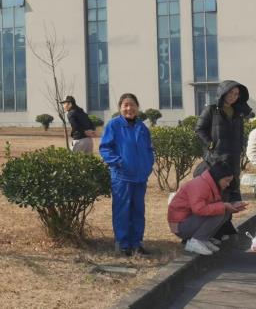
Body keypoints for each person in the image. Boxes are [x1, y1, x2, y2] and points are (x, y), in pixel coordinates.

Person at [99, 93, 155, 257]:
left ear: (137, 107)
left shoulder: (142, 128)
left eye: (132, 105)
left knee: (138, 211)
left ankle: (137, 244)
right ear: (120, 108)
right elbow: (105, 148)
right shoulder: (114, 125)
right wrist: (118, 162)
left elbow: (149, 149)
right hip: (122, 177)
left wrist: (148, 165)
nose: (129, 108)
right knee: (122, 211)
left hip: (140, 177)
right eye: (126, 105)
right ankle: (122, 245)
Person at [194, 80, 251, 238]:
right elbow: (199, 129)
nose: (233, 96)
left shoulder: (238, 112)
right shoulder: (211, 110)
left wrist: (241, 146)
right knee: (216, 194)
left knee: (230, 192)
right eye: (230, 92)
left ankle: (224, 226)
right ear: (223, 92)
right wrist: (210, 144)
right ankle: (213, 230)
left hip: (233, 158)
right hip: (216, 159)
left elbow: (240, 133)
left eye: (236, 94)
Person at [168, 162, 247, 255]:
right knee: (220, 211)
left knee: (224, 211)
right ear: (218, 177)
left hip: (187, 221)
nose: (228, 184)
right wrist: (224, 206)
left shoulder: (210, 184)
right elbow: (199, 209)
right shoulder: (200, 185)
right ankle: (196, 241)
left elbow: (211, 206)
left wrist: (232, 205)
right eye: (226, 180)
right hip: (180, 226)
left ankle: (203, 239)